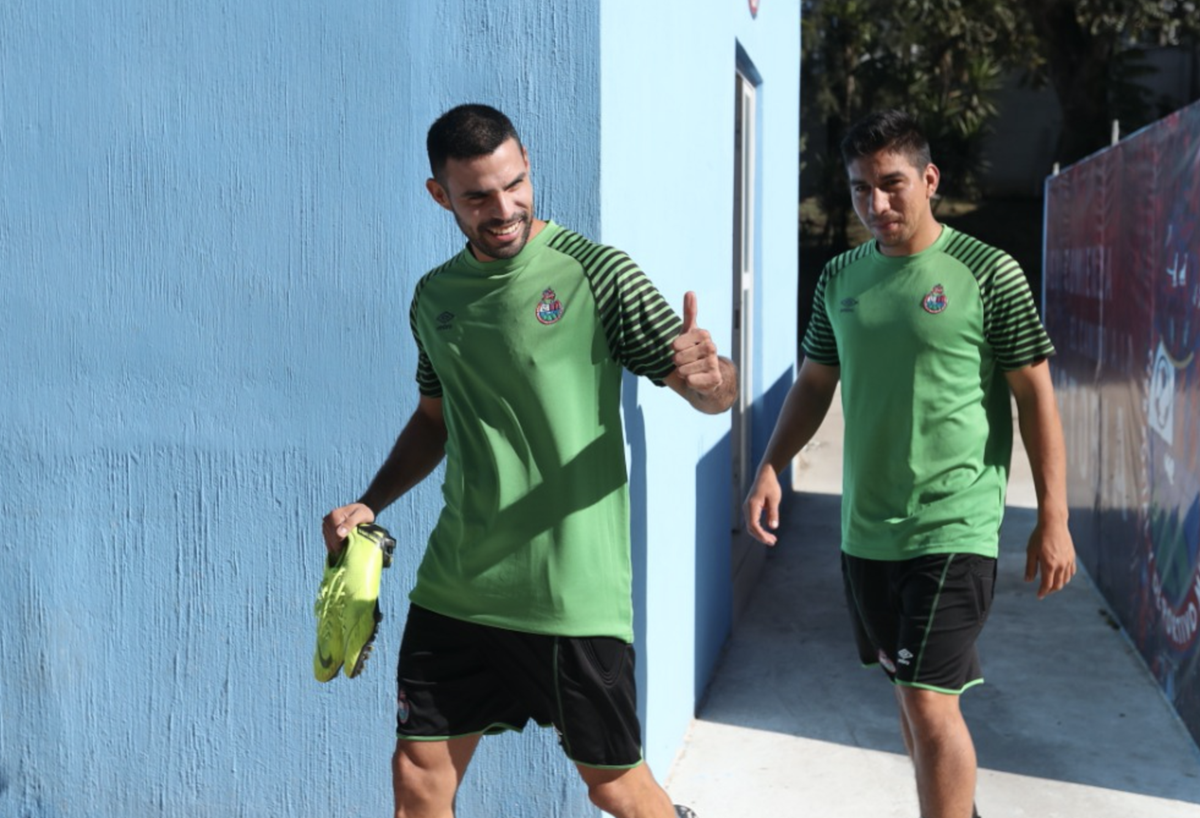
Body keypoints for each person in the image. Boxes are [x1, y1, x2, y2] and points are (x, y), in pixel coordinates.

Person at [322, 103, 734, 818]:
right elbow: (433, 420)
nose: (504, 208)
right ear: (439, 196)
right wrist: (371, 502)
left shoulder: (596, 274)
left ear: (528, 168)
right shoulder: (434, 299)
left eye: (514, 184)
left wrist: (710, 380)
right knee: (419, 775)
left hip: (570, 593)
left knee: (617, 790)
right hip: (457, 583)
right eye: (478, 195)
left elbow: (708, 391)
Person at [743, 109, 1077, 818]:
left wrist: (1054, 517)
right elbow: (813, 381)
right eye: (861, 189)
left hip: (952, 526)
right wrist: (773, 463)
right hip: (867, 530)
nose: (877, 205)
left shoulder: (988, 272)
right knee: (912, 699)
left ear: (929, 179)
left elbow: (1035, 397)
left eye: (893, 185)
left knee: (928, 703)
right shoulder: (839, 276)